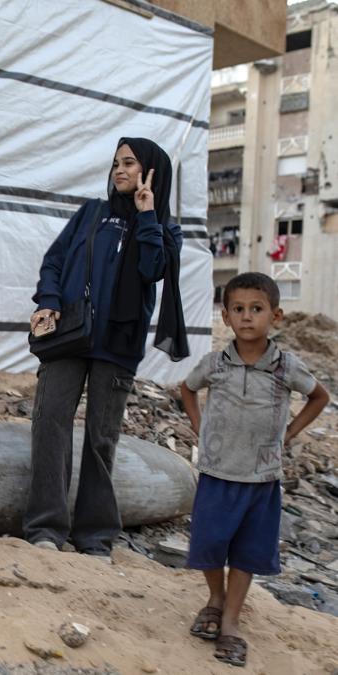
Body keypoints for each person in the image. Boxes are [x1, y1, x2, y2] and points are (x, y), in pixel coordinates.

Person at [23, 137, 187, 557]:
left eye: (130, 163)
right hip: (69, 335)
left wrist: (146, 215)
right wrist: (48, 301)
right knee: (49, 425)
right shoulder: (91, 214)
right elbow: (55, 261)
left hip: (117, 344)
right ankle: (46, 528)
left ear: (152, 171)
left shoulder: (165, 229)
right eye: (116, 163)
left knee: (101, 438)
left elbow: (153, 270)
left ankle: (93, 536)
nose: (119, 170)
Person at [180, 272, 328, 668]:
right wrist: (200, 426)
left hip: (261, 477)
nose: (247, 317)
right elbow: (187, 388)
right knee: (209, 544)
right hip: (216, 471)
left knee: (246, 552)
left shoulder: (285, 367)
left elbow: (319, 397)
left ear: (275, 316)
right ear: (225, 317)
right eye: (239, 310)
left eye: (256, 309)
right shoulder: (215, 364)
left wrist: (290, 433)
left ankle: (230, 621)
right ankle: (214, 598)